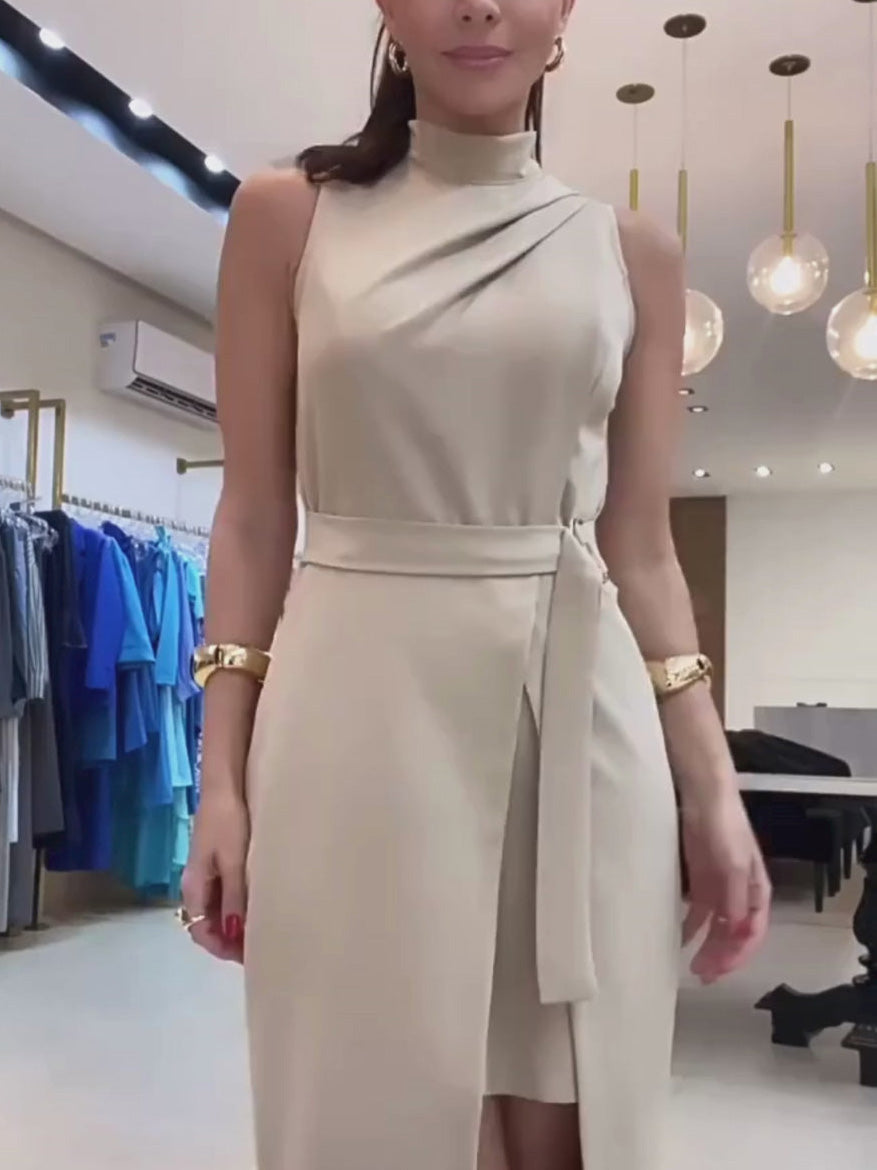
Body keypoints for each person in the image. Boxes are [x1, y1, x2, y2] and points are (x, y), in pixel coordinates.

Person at [180, 3, 772, 1169]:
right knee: (360, 1105)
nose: (479, 3)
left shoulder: (634, 254)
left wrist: (711, 789)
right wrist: (222, 781)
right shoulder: (285, 217)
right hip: (352, 722)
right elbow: (250, 519)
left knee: (572, 1120)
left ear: (565, 12)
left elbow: (641, 546)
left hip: (580, 725)